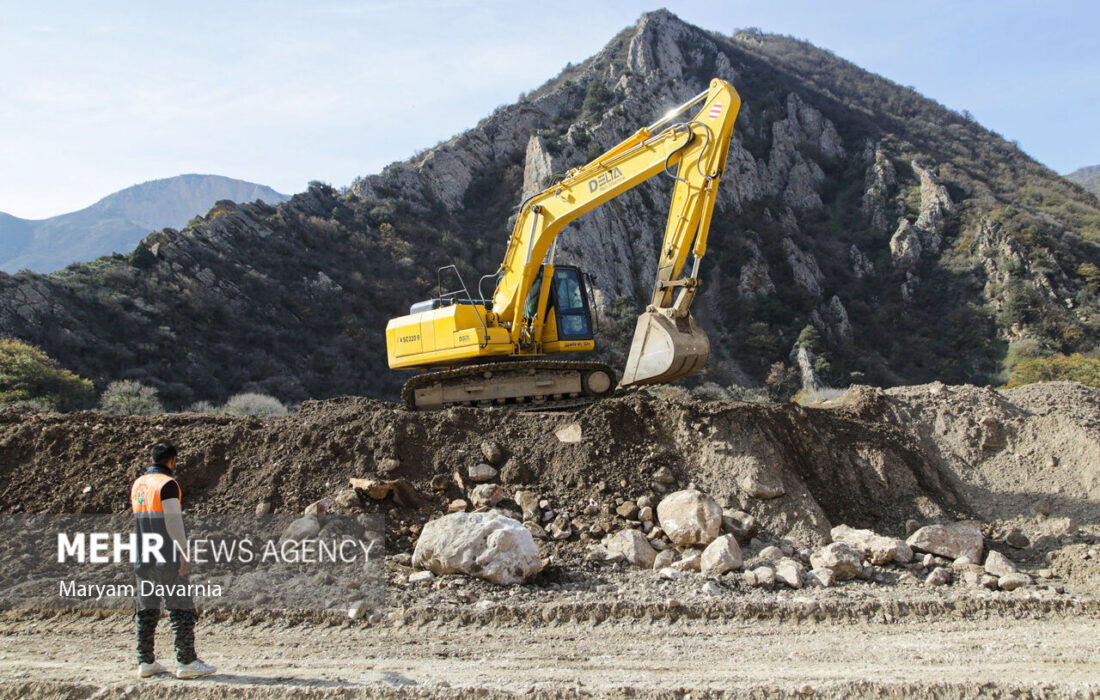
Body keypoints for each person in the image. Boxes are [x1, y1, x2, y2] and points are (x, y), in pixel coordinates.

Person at [130, 442, 216, 679]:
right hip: (166, 557)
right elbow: (173, 521)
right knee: (180, 609)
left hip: (143, 556)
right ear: (172, 461)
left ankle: (145, 661)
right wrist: (183, 551)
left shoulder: (139, 484)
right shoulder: (167, 485)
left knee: (146, 609)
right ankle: (186, 661)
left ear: (151, 461)